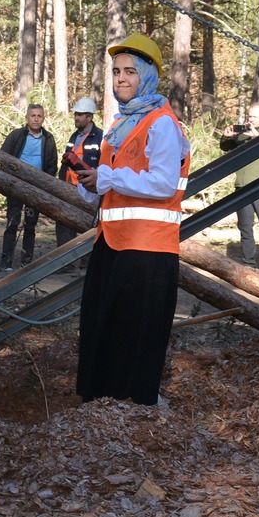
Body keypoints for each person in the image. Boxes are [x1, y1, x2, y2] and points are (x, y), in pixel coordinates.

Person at [75, 34, 190, 407]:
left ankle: (137, 408)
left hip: (149, 251)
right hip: (111, 243)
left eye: (129, 72)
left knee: (135, 332)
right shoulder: (117, 126)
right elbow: (109, 185)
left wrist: (106, 178)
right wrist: (88, 181)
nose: (120, 78)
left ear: (148, 76)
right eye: (116, 71)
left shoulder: (162, 125)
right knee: (103, 326)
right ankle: (102, 405)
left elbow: (162, 183)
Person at [0, 102, 60, 268]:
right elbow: (3, 157)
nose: (36, 119)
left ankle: (27, 262)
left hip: (36, 188)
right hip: (16, 186)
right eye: (33, 116)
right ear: (26, 117)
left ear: (43, 118)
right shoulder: (16, 136)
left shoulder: (48, 139)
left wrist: (45, 182)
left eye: (39, 116)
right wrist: (8, 179)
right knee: (12, 223)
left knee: (30, 226)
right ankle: (6, 261)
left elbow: (53, 163)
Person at [219, 110, 259, 273]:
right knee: (245, 227)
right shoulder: (242, 134)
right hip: (242, 187)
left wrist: (257, 137)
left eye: (255, 116)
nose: (250, 119)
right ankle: (249, 265)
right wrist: (227, 137)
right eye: (249, 116)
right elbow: (225, 147)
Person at [62, 95, 104, 190]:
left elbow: (103, 165)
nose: (76, 118)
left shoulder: (100, 137)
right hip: (68, 186)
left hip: (87, 189)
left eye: (80, 115)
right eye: (75, 114)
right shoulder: (74, 136)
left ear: (89, 117)